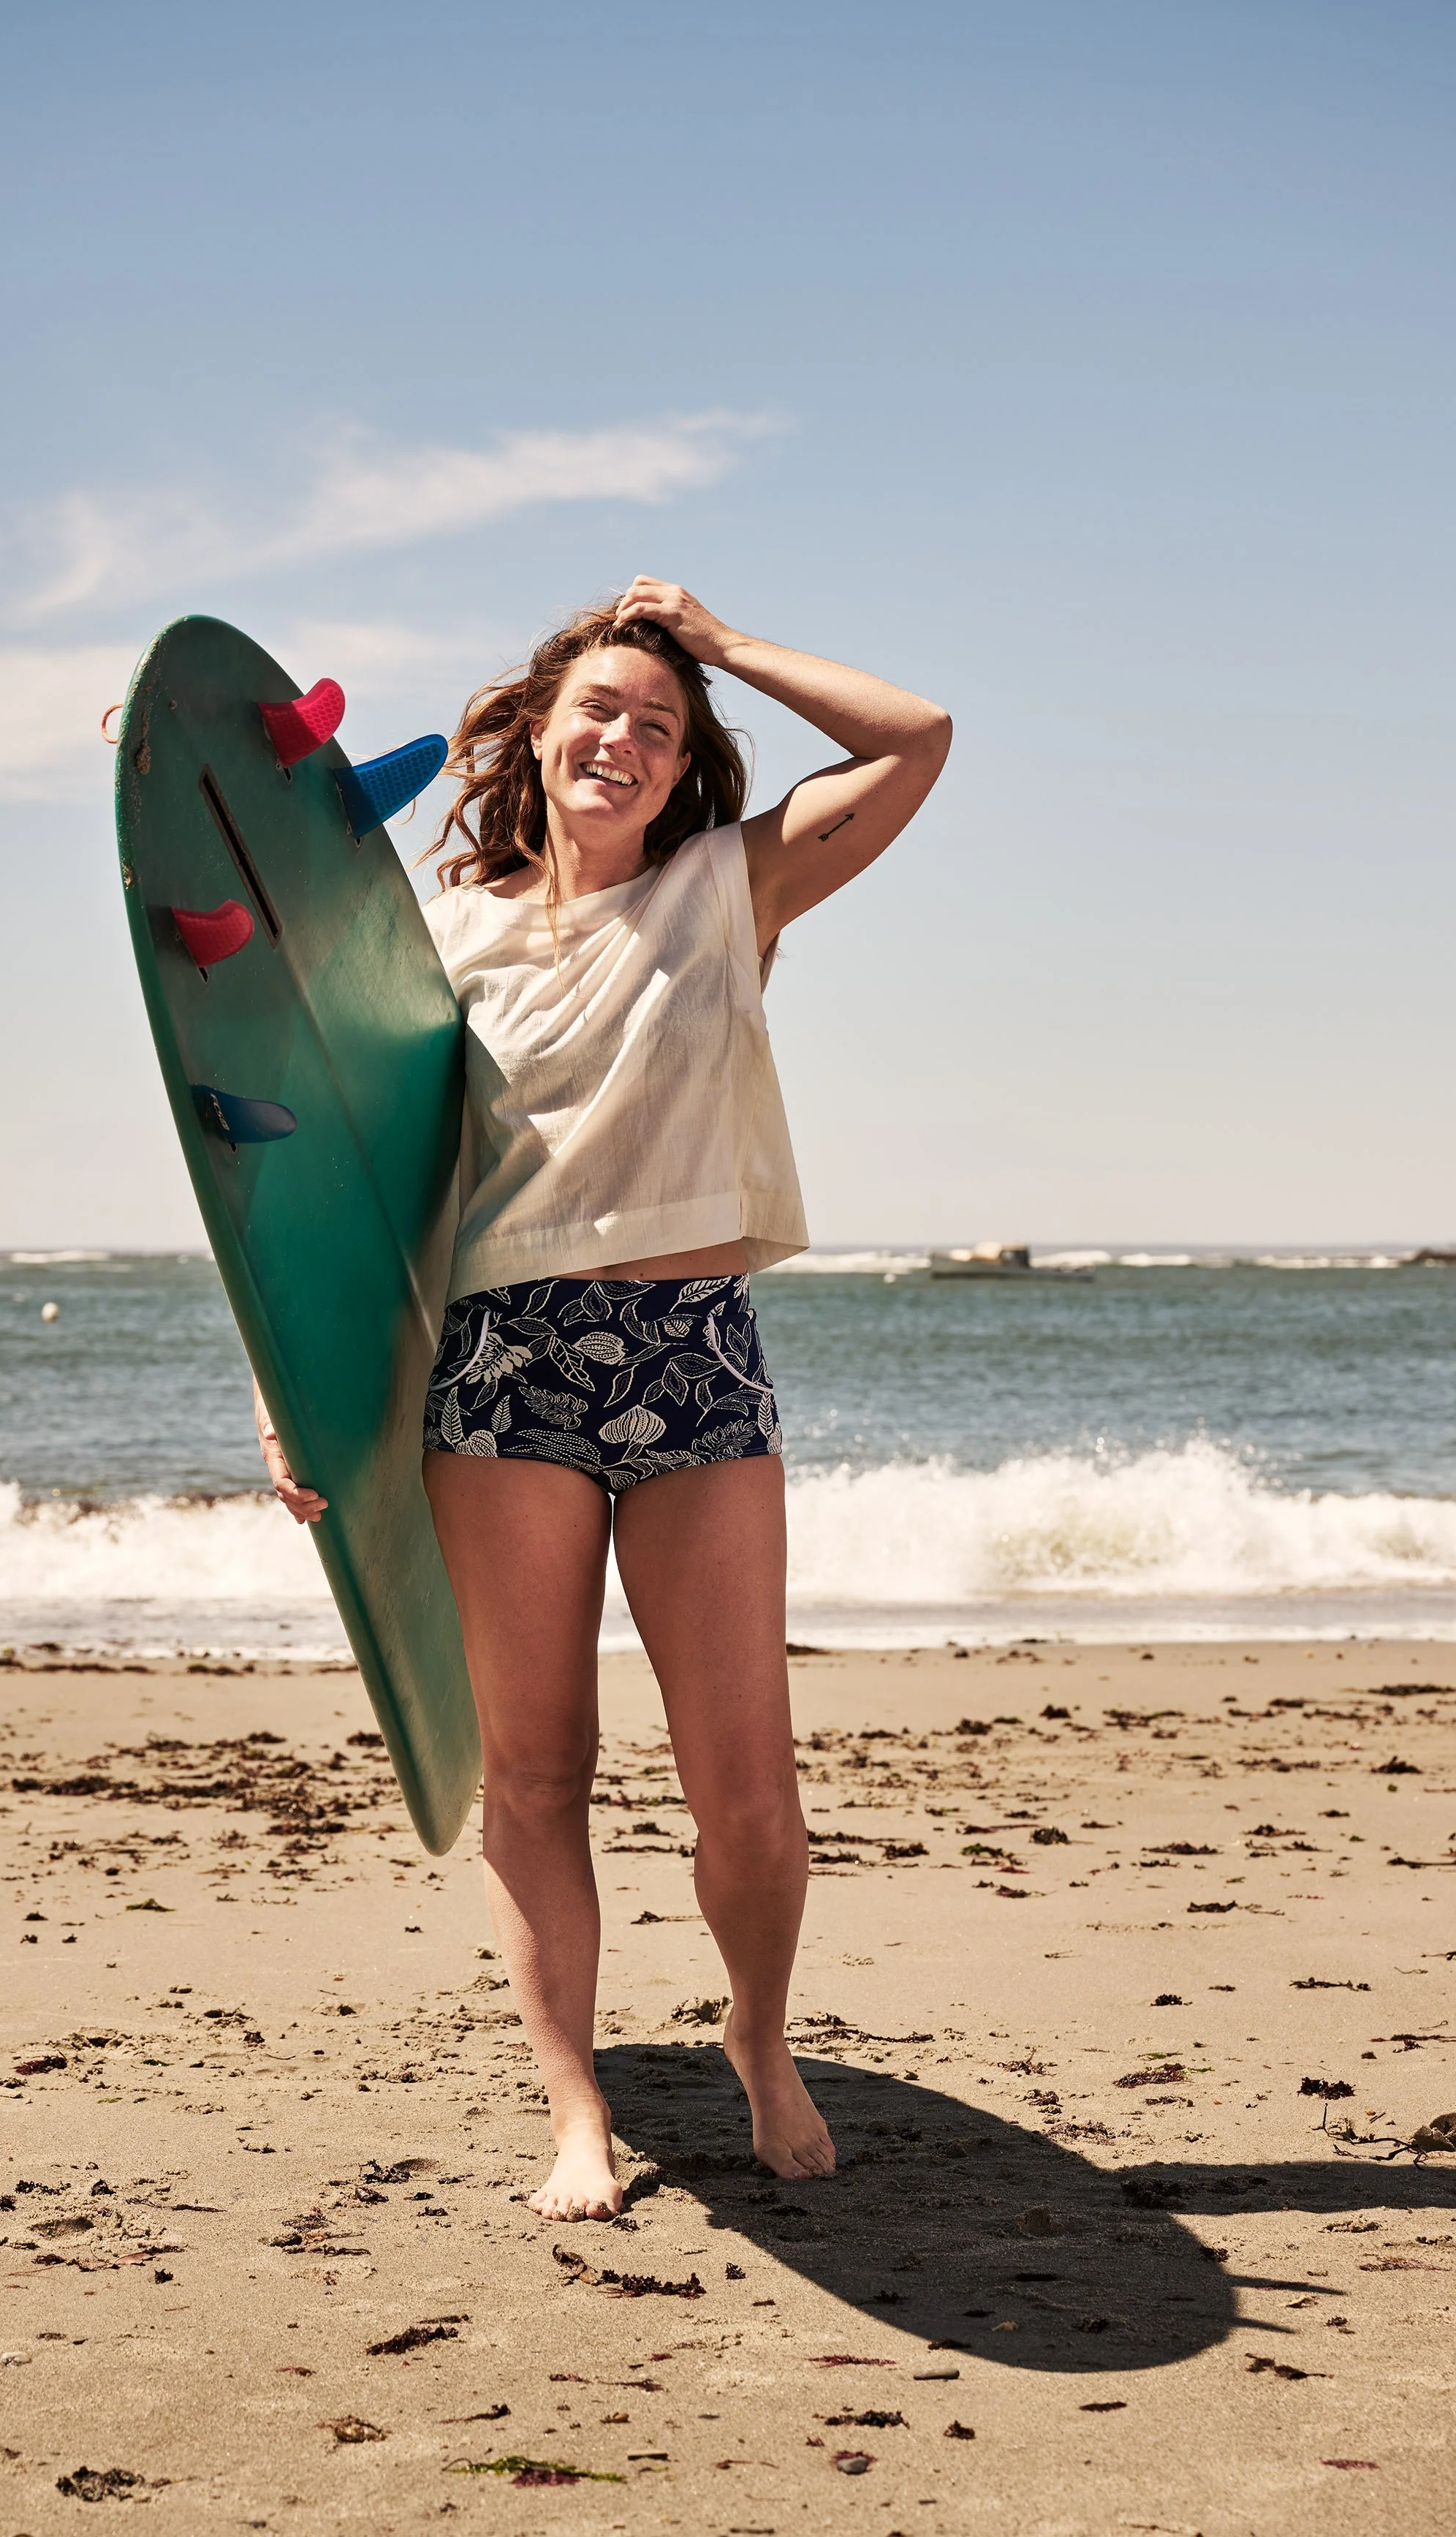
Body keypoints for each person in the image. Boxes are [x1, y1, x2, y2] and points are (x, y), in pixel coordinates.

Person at [257, 578, 949, 2219]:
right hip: (502, 1370)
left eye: (659, 722)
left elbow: (916, 740)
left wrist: (718, 644)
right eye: (600, 711)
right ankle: (577, 2104)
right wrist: (295, 1393)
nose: (624, 739)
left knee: (747, 1788)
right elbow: (338, 1190)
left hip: (691, 1350)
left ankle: (758, 2039)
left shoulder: (730, 888)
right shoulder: (432, 934)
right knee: (539, 1771)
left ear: (685, 756)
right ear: (539, 732)